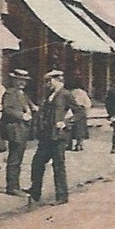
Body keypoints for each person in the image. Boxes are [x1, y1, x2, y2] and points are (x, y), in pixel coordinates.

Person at [28, 69, 81, 204]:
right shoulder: (49, 95)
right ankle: (35, 193)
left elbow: (80, 112)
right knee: (37, 163)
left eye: (49, 81)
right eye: (46, 81)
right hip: (46, 135)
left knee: (58, 166)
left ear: (58, 80)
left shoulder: (65, 94)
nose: (47, 84)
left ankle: (62, 196)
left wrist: (66, 123)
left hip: (58, 136)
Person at [0, 68, 36, 195]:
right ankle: (12, 187)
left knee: (18, 157)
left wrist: (34, 108)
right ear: (14, 80)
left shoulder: (23, 94)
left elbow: (29, 105)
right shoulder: (10, 93)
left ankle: (15, 185)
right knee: (14, 158)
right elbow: (7, 109)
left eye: (24, 81)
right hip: (14, 129)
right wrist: (21, 115)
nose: (22, 83)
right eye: (20, 80)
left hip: (22, 129)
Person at [68, 78, 92, 152]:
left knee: (70, 128)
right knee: (80, 129)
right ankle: (79, 144)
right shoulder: (83, 92)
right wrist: (87, 111)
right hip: (81, 110)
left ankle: (69, 144)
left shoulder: (70, 92)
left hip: (72, 110)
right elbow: (88, 103)